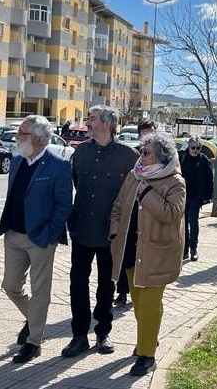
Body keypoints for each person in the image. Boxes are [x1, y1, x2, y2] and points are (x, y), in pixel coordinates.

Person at [0, 116, 73, 364]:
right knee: (10, 286)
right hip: (14, 235)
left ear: (38, 138)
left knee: (41, 291)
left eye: (21, 133)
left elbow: (64, 204)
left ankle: (34, 342)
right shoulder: (17, 160)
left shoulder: (58, 165)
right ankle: (35, 320)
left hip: (40, 239)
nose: (16, 137)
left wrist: (51, 235)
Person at [63, 105, 138, 357]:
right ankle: (79, 335)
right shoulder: (81, 152)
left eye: (92, 119)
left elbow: (133, 195)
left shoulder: (129, 156)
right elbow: (76, 183)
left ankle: (103, 333)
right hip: (82, 229)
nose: (87, 122)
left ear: (107, 124)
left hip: (111, 233)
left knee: (107, 284)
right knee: (77, 283)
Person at [110, 132, 185, 377]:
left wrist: (147, 194)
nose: (141, 157)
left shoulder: (175, 182)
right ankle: (148, 339)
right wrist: (114, 233)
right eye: (141, 152)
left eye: (146, 153)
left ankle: (146, 356)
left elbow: (172, 214)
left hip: (158, 253)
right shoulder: (134, 176)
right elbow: (118, 206)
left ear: (161, 157)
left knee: (150, 304)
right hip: (131, 250)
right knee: (140, 305)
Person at [113, 118, 158, 307]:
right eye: (144, 133)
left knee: (143, 254)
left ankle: (138, 289)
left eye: (150, 132)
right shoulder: (135, 156)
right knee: (127, 252)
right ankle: (123, 291)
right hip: (132, 210)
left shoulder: (162, 156)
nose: (147, 136)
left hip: (151, 213)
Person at [180, 136, 213, 261]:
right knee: (183, 223)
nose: (195, 150)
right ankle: (184, 249)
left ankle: (193, 248)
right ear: (188, 146)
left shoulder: (204, 160)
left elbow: (209, 179)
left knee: (193, 222)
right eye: (193, 147)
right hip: (183, 195)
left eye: (198, 148)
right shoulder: (182, 158)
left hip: (196, 196)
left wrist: (208, 196)